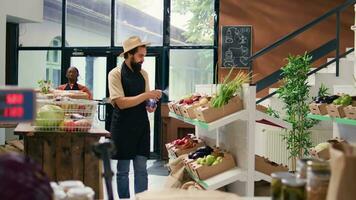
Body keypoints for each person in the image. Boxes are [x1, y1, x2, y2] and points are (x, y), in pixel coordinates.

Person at [108, 36, 162, 199]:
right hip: (122, 127)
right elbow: (121, 103)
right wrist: (146, 95)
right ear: (129, 55)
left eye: (144, 56)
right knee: (123, 171)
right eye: (140, 56)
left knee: (141, 169)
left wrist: (151, 104)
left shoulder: (143, 74)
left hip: (141, 126)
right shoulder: (115, 74)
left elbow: (146, 102)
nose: (143, 60)